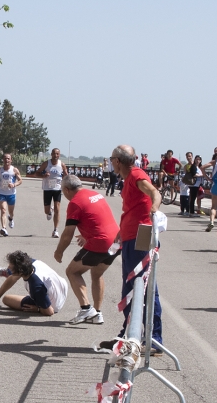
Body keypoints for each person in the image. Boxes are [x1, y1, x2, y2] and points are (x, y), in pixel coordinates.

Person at [98, 145, 163, 355]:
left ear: (117, 161)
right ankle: (128, 336)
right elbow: (131, 209)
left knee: (142, 289)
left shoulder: (136, 175)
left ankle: (153, 340)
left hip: (140, 239)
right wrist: (120, 232)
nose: (110, 162)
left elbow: (154, 192)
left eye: (111, 159)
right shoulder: (128, 179)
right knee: (131, 289)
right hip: (130, 238)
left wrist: (154, 208)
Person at [53, 176, 120, 324]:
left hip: (100, 243)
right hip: (116, 241)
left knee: (72, 271)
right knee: (96, 274)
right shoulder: (95, 194)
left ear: (66, 190)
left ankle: (86, 309)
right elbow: (96, 218)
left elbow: (68, 233)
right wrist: (86, 234)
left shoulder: (75, 202)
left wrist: (59, 251)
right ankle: (97, 313)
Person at [0, 251, 68, 315]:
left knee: (6, 299)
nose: (8, 267)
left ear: (20, 273)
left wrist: (37, 309)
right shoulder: (31, 262)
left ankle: (39, 301)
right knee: (13, 279)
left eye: (10, 268)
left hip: (54, 304)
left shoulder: (35, 286)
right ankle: (9, 273)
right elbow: (12, 279)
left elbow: (50, 312)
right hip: (62, 286)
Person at [34, 148, 69, 238]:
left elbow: (66, 175)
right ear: (51, 154)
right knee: (46, 211)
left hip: (57, 188)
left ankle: (55, 230)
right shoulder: (46, 164)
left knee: (57, 209)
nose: (55, 156)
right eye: (54, 154)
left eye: (57, 154)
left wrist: (67, 184)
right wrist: (43, 175)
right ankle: (50, 211)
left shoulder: (62, 164)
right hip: (47, 189)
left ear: (59, 155)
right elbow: (36, 173)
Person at [0, 154, 22, 236]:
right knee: (3, 210)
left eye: (8, 159)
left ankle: (11, 218)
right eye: (5, 158)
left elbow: (20, 180)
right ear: (3, 160)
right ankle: (4, 228)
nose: (7, 160)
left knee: (11, 212)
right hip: (2, 193)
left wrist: (14, 184)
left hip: (11, 194)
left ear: (11, 160)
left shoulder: (14, 170)